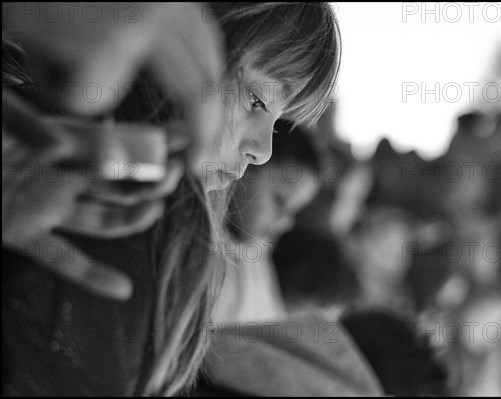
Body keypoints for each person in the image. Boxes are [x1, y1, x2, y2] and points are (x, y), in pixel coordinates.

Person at [2, 2, 341, 396]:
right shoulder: (139, 215)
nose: (264, 150)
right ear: (185, 47)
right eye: (257, 101)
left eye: (278, 123)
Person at [212, 123, 322, 323]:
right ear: (244, 167)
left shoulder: (256, 254)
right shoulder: (201, 244)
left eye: (294, 212)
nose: (286, 223)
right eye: (280, 200)